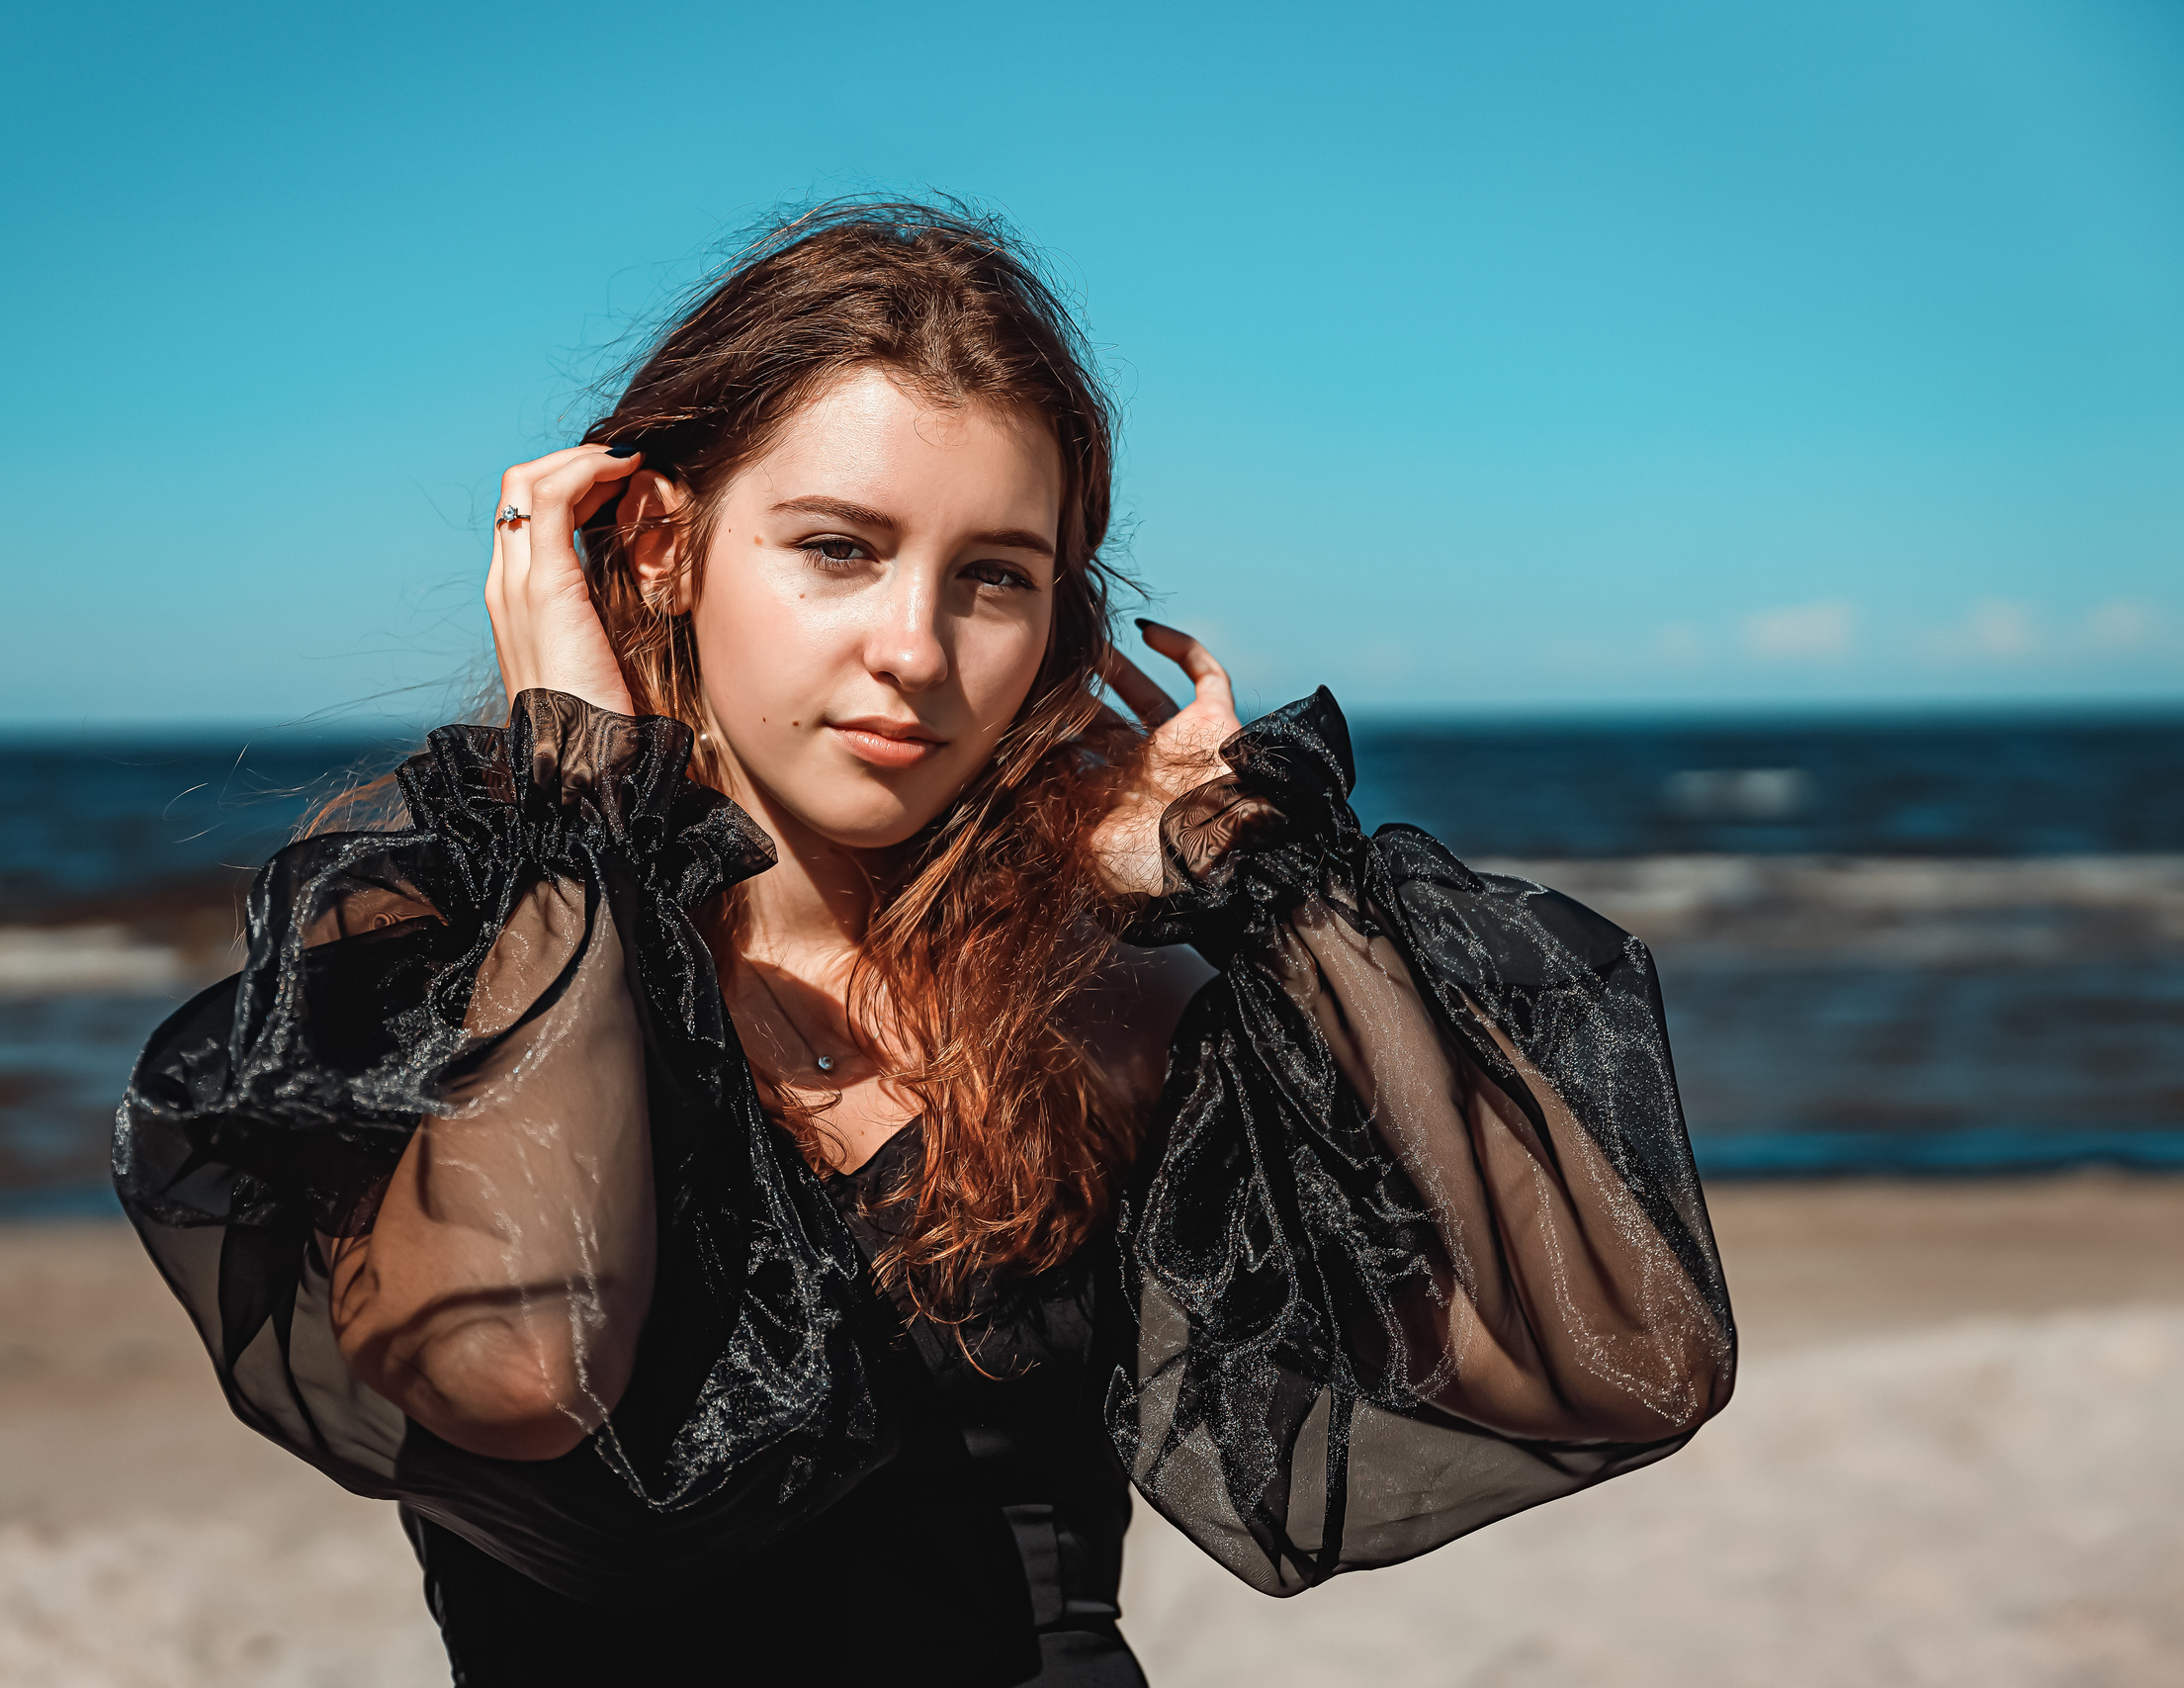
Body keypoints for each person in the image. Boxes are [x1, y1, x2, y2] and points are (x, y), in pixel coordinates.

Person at [114, 201, 1736, 1686]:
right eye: (838, 548)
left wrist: (1253, 872)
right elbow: (514, 1369)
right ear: (663, 547)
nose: (915, 649)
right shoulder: (442, 951)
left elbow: (1607, 1359)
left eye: (994, 579)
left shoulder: (1097, 1006)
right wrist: (579, 810)